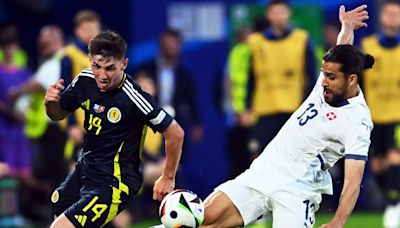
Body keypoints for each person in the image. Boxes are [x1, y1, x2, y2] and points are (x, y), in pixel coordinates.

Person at [201, 5, 372, 228]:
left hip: (298, 189)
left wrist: (338, 221)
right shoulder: (330, 83)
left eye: (330, 77)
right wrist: (347, 27)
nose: (323, 82)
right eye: (323, 74)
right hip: (265, 171)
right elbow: (342, 50)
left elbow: (353, 178)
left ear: (351, 80)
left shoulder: (357, 120)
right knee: (205, 219)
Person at [45, 31, 184, 227]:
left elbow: (175, 132)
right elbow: (58, 114)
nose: (102, 75)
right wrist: (50, 103)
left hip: (115, 182)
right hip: (85, 169)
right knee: (58, 202)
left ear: (124, 64)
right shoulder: (84, 80)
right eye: (97, 66)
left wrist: (168, 177)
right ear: (90, 60)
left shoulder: (134, 98)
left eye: (110, 68)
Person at [241, 0, 317, 158]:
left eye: (282, 12)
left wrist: (310, 107)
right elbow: (251, 78)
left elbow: (311, 76)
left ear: (289, 14)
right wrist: (247, 108)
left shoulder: (302, 39)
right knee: (258, 155)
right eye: (275, 12)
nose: (279, 16)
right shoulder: (256, 42)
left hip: (294, 109)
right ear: (268, 15)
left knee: (294, 156)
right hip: (264, 109)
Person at [360, 1, 400, 227]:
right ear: (383, 18)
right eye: (390, 14)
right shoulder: (368, 46)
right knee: (377, 165)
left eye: (397, 14)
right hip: (374, 115)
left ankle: (395, 205)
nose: (393, 18)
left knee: (395, 157)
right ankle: (391, 198)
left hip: (398, 114)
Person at [135, 28, 203, 144]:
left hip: (175, 122)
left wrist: (195, 123)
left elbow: (190, 100)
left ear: (179, 47)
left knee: (175, 156)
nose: (170, 48)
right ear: (160, 45)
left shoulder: (184, 74)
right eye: (167, 44)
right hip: (150, 121)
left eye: (173, 44)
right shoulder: (146, 69)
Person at [60, 10, 102, 166]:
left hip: (99, 121)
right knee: (76, 170)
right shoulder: (69, 56)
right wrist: (71, 125)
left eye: (94, 29)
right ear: (77, 31)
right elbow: (65, 92)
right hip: (78, 123)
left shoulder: (104, 56)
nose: (91, 33)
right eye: (86, 30)